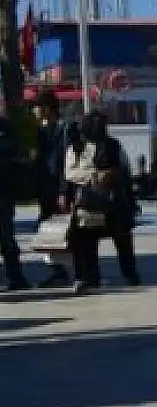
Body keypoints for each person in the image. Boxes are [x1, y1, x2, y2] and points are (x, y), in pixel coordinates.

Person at [61, 110, 142, 294]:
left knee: (123, 239)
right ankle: (88, 278)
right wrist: (94, 176)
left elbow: (125, 169)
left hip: (114, 202)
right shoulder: (76, 147)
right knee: (85, 241)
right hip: (88, 201)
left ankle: (130, 274)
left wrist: (113, 176)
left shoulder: (113, 145)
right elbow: (69, 173)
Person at [31, 92, 76, 286]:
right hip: (45, 188)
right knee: (46, 231)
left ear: (47, 108)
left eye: (37, 107)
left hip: (60, 188)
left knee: (66, 231)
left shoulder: (65, 129)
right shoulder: (40, 131)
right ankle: (58, 270)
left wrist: (64, 191)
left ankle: (73, 270)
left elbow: (68, 162)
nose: (34, 111)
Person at [0, 109, 30, 290]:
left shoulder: (5, 127)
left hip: (3, 192)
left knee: (6, 238)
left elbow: (17, 152)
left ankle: (16, 277)